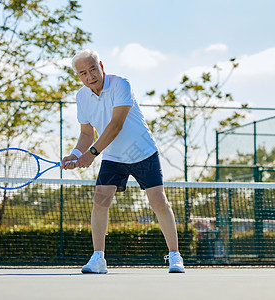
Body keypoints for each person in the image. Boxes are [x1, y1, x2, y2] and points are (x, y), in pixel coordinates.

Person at [61, 49, 185, 274]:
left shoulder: (121, 84)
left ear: (101, 66)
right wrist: (76, 154)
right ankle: (98, 259)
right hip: (112, 156)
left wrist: (92, 154)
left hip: (142, 151)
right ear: (78, 76)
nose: (90, 76)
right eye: (83, 73)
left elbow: (115, 125)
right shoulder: (81, 97)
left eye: (92, 70)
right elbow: (87, 134)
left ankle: (175, 256)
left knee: (158, 202)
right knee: (100, 200)